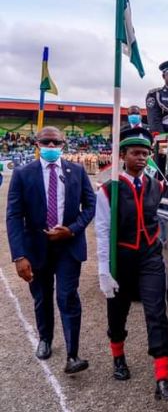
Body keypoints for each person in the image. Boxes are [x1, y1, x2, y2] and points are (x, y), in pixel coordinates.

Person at [95, 127, 168, 401]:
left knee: (157, 313)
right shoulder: (109, 191)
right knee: (117, 314)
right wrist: (104, 271)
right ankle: (118, 358)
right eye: (136, 153)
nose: (141, 158)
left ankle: (162, 379)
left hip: (150, 258)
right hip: (121, 259)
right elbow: (102, 232)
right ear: (123, 155)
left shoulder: (157, 185)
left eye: (145, 153)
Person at [6, 126, 96, 373]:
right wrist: (19, 255)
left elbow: (90, 205)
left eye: (56, 143)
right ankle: (45, 338)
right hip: (36, 248)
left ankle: (73, 354)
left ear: (63, 145)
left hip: (68, 246)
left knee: (67, 296)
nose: (52, 147)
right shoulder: (24, 174)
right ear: (37, 144)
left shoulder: (76, 171)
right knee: (42, 297)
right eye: (46, 142)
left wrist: (73, 229)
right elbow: (14, 215)